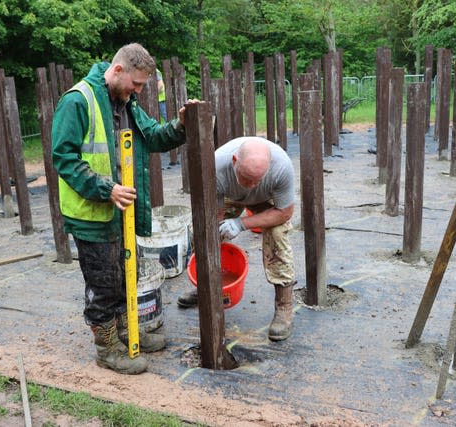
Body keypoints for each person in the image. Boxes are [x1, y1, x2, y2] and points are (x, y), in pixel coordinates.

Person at [52, 43, 197, 375]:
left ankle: (125, 331)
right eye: (137, 84)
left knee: (120, 277)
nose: (139, 91)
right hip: (91, 215)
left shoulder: (125, 102)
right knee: (103, 284)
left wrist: (180, 125)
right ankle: (107, 349)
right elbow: (64, 159)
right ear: (117, 71)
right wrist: (106, 188)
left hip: (119, 211)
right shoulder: (77, 101)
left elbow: (155, 137)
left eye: (143, 86)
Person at [177, 136, 297, 342]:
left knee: (278, 235)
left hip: (266, 200)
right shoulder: (214, 166)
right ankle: (207, 287)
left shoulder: (282, 166)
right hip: (229, 196)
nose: (250, 186)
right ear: (235, 161)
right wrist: (217, 228)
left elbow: (284, 212)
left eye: (256, 180)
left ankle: (284, 306)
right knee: (205, 231)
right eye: (246, 178)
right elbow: (213, 212)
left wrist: (241, 224)